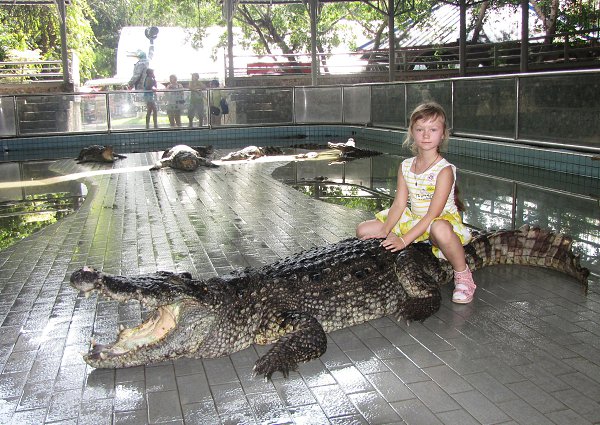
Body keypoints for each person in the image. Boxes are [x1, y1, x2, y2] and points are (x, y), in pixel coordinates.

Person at [356, 102, 476, 304]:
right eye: (420, 129)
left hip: (438, 221)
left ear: (443, 134)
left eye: (433, 129)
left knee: (439, 228)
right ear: (412, 132)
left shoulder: (444, 170)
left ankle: (463, 274)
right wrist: (385, 229)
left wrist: (403, 241)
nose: (426, 135)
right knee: (363, 229)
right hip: (415, 219)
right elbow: (399, 204)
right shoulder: (405, 166)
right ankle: (409, 242)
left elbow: (432, 215)